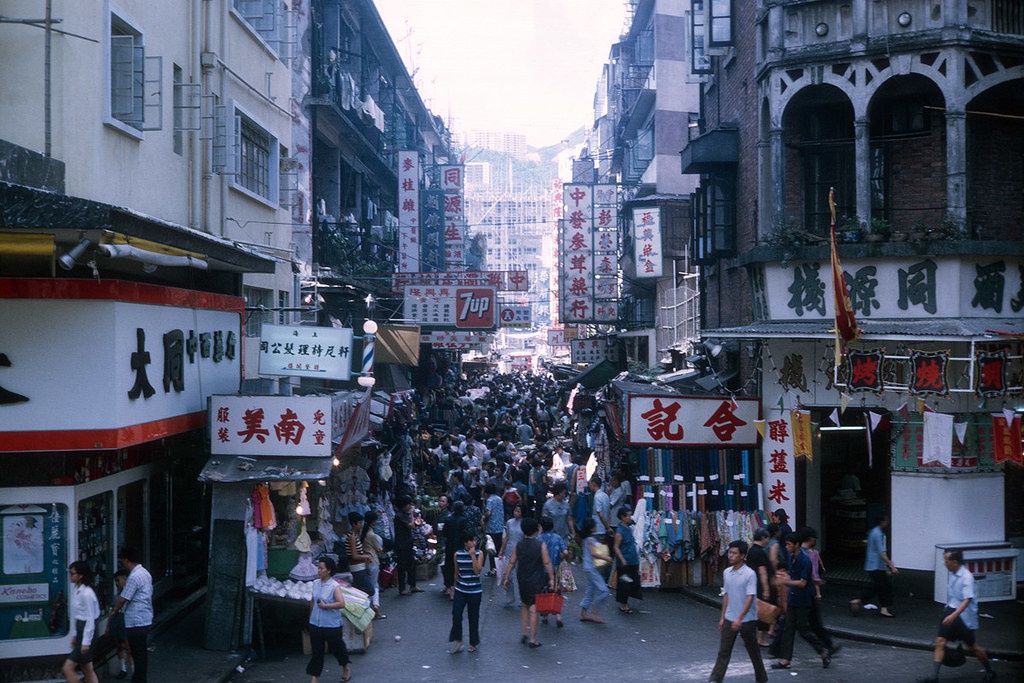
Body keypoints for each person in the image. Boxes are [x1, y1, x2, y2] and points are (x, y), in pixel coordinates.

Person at [919, 549, 997, 683]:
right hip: (951, 611)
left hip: (964, 618)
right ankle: (933, 677)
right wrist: (949, 612)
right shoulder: (954, 574)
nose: (945, 564)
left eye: (946, 561)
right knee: (940, 642)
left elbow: (966, 600)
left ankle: (990, 671)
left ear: (955, 562)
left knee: (972, 647)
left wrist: (953, 616)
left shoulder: (967, 577)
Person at [708, 541, 769, 683]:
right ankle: (715, 679)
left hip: (747, 619)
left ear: (742, 555)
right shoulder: (727, 573)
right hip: (730, 617)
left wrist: (739, 618)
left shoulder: (749, 574)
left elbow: (750, 597)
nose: (731, 555)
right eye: (730, 552)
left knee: (753, 650)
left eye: (734, 553)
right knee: (723, 651)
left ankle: (761, 678)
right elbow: (726, 595)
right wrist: (722, 617)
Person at [772, 533, 831, 671]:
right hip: (793, 598)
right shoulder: (792, 557)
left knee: (803, 630)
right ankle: (785, 660)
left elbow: (803, 583)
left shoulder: (804, 560)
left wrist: (785, 581)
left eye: (789, 544)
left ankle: (822, 651)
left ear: (797, 545)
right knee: (788, 628)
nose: (786, 547)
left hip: (803, 600)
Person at [502, 517, 555, 648]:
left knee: (525, 604)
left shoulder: (518, 545)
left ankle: (524, 633)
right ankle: (533, 639)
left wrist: (506, 577)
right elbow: (547, 562)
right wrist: (552, 578)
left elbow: (512, 562)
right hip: (536, 579)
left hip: (522, 578)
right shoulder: (540, 545)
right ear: (536, 530)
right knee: (534, 608)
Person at [107, 546, 153, 683]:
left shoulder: (134, 576)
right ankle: (140, 678)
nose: (122, 563)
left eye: (122, 560)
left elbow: (123, 598)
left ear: (127, 560)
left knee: (136, 651)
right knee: (141, 653)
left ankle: (139, 679)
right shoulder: (145, 573)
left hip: (135, 619)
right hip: (145, 617)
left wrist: (114, 611)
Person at [306, 556, 351, 683]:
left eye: (321, 568)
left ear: (329, 570)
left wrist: (326, 606)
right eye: (318, 568)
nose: (319, 570)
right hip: (315, 623)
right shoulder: (315, 583)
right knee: (317, 652)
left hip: (331, 625)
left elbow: (341, 603)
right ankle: (314, 678)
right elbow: (312, 601)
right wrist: (311, 617)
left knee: (337, 649)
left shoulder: (334, 586)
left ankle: (345, 667)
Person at [800, 526, 839, 656]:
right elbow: (811, 575)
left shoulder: (800, 553)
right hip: (805, 592)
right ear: (811, 539)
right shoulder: (809, 554)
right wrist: (817, 588)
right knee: (811, 623)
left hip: (801, 592)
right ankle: (826, 646)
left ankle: (827, 646)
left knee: (796, 624)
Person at [849, 515, 898, 618]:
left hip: (874, 564)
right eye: (886, 520)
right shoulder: (878, 533)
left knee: (881, 586)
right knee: (880, 586)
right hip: (876, 565)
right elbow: (882, 552)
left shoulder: (873, 531)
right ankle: (859, 600)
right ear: (882, 521)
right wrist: (891, 565)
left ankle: (883, 608)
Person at [63, 561, 100, 683]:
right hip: (80, 630)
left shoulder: (87, 593)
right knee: (87, 667)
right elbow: (75, 615)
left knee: (68, 668)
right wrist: (74, 634)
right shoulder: (76, 590)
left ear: (80, 575)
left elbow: (90, 619)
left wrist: (85, 642)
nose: (70, 576)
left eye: (72, 573)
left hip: (87, 631)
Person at [448, 531, 484, 654]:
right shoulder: (457, 554)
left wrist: (473, 556)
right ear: (465, 542)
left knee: (473, 617)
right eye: (471, 540)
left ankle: (473, 642)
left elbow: (477, 571)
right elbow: (456, 573)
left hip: (475, 590)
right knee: (456, 615)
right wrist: (454, 587)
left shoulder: (479, 553)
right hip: (461, 589)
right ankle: (458, 640)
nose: (474, 542)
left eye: (475, 540)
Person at [578, 517, 611, 624]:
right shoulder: (591, 540)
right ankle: (594, 612)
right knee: (604, 590)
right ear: (592, 528)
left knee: (591, 589)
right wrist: (606, 558)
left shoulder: (586, 539)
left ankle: (583, 613)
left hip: (588, 567)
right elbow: (594, 553)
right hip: (592, 568)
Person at [538, 516, 569, 627]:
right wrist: (560, 558)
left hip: (542, 570)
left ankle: (545, 615)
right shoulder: (558, 538)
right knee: (556, 591)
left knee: (543, 592)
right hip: (556, 569)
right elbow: (565, 552)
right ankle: (558, 616)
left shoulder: (539, 539)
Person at [745, 528, 774, 647]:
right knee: (763, 612)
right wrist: (766, 588)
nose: (768, 541)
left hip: (752, 583)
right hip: (760, 585)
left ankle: (751, 635)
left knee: (753, 610)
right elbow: (762, 571)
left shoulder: (751, 550)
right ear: (763, 538)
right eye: (767, 538)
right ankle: (760, 638)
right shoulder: (760, 552)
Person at [612, 506, 643, 614]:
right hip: (625, 561)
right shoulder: (620, 531)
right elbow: (616, 547)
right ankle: (623, 605)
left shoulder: (628, 528)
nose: (631, 517)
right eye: (629, 515)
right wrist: (622, 559)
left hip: (632, 559)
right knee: (624, 584)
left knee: (632, 582)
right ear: (623, 517)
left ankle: (625, 603)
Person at [393, 495, 422, 595]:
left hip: (407, 542)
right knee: (402, 566)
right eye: (409, 504)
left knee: (411, 564)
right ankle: (402, 588)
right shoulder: (400, 515)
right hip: (402, 544)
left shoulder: (404, 514)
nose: (410, 506)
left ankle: (412, 585)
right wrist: (412, 514)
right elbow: (411, 525)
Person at [497, 503, 525, 607]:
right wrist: (501, 550)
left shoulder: (524, 524)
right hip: (509, 550)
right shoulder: (509, 522)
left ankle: (522, 598)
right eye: (515, 511)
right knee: (508, 575)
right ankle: (510, 597)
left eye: (518, 511)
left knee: (520, 576)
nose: (516, 513)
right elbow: (507, 537)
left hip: (521, 552)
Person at [360, 510, 386, 620]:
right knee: (374, 586)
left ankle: (369, 609)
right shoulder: (372, 535)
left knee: (367, 586)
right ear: (374, 521)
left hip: (364, 561)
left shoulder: (362, 531)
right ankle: (376, 609)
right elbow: (379, 549)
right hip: (373, 561)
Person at [345, 512, 376, 603]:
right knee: (369, 590)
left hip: (360, 567)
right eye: (359, 523)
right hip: (357, 568)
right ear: (354, 523)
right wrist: (366, 556)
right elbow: (354, 556)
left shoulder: (355, 535)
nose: (361, 525)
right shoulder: (352, 537)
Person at [442, 500, 468, 597]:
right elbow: (464, 534)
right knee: (459, 566)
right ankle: (458, 585)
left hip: (449, 546)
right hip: (460, 546)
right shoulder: (463, 520)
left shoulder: (449, 519)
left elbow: (444, 533)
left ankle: (449, 585)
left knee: (449, 566)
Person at [110, 569, 133, 679]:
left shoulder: (130, 595)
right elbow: (112, 610)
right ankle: (123, 669)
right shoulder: (116, 596)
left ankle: (134, 671)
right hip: (117, 620)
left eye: (118, 580)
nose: (116, 583)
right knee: (118, 645)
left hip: (126, 620)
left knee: (129, 647)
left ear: (125, 580)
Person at [482, 482, 504, 575]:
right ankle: (500, 567)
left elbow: (488, 513)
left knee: (491, 549)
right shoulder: (499, 499)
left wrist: (484, 519)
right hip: (499, 526)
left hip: (491, 528)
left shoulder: (489, 500)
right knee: (498, 548)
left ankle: (493, 569)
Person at [589, 476, 611, 541]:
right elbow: (609, 514)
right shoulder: (605, 495)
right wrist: (608, 526)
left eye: (590, 485)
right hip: (603, 529)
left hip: (598, 529)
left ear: (593, 484)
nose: (590, 487)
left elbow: (601, 515)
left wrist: (607, 528)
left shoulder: (597, 497)